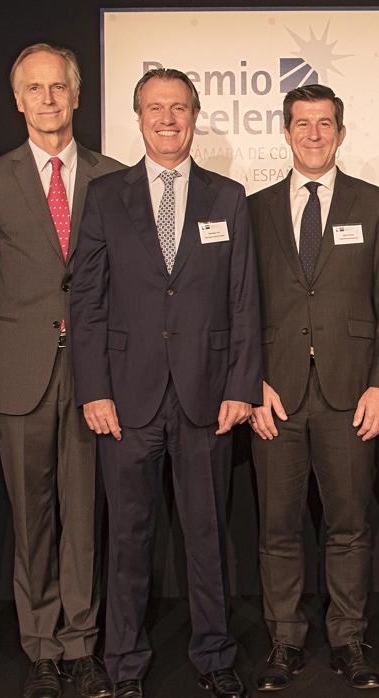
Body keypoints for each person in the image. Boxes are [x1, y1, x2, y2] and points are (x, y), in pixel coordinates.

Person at [69, 68, 260, 698]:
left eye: (179, 107)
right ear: (139, 117)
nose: (168, 119)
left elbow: (242, 302)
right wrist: (92, 388)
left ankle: (214, 654)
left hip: (207, 394)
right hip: (126, 396)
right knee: (128, 538)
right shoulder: (104, 196)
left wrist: (241, 384)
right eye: (156, 108)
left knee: (207, 534)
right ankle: (123, 664)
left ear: (196, 116)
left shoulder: (227, 196)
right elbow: (88, 302)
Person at [0, 43, 123, 698]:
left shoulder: (113, 177)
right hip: (17, 374)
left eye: (59, 87)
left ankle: (80, 643)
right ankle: (39, 646)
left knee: (84, 514)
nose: (49, 99)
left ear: (77, 95)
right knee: (32, 518)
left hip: (92, 376)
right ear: (18, 99)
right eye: (35, 88)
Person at [246, 84, 379, 692]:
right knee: (277, 528)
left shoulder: (374, 203)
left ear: (342, 133)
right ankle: (284, 641)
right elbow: (237, 305)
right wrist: (247, 383)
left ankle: (349, 639)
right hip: (274, 396)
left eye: (325, 124)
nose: (314, 134)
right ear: (285, 133)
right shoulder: (252, 208)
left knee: (349, 525)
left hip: (350, 394)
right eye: (302, 124)